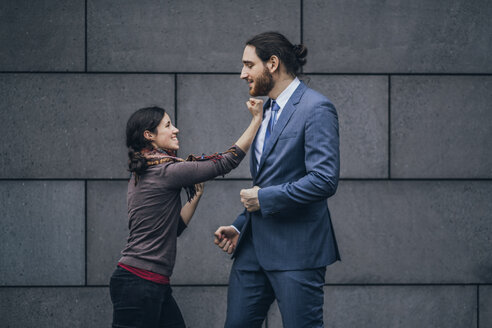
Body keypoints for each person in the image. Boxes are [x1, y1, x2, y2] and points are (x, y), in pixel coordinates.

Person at [214, 31, 340, 328]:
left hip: (297, 250)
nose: (242, 74)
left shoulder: (316, 108)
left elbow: (324, 179)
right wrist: (239, 224)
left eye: (248, 65)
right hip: (251, 249)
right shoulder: (265, 110)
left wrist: (264, 199)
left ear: (272, 63)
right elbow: (270, 178)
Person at [110, 99, 263, 328]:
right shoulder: (164, 170)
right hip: (139, 282)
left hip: (150, 283)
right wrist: (256, 120)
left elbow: (174, 229)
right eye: (168, 125)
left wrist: (195, 198)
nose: (176, 129)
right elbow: (226, 161)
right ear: (149, 135)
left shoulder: (145, 172)